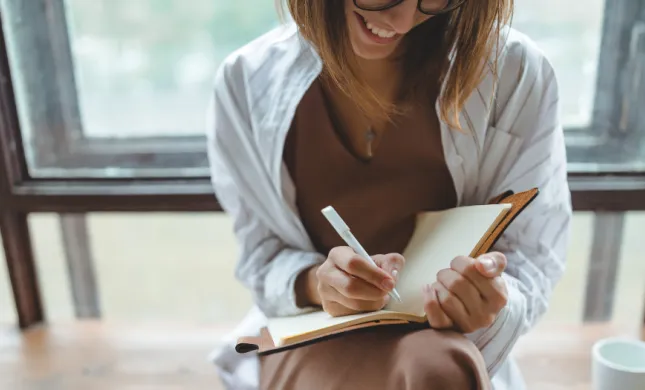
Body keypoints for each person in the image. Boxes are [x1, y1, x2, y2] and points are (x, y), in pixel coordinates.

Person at [207, 0, 572, 389]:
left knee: (440, 368)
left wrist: (491, 301)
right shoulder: (245, 81)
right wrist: (319, 284)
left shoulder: (515, 73)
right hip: (311, 331)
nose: (401, 20)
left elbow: (533, 255)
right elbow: (261, 255)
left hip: (443, 343)